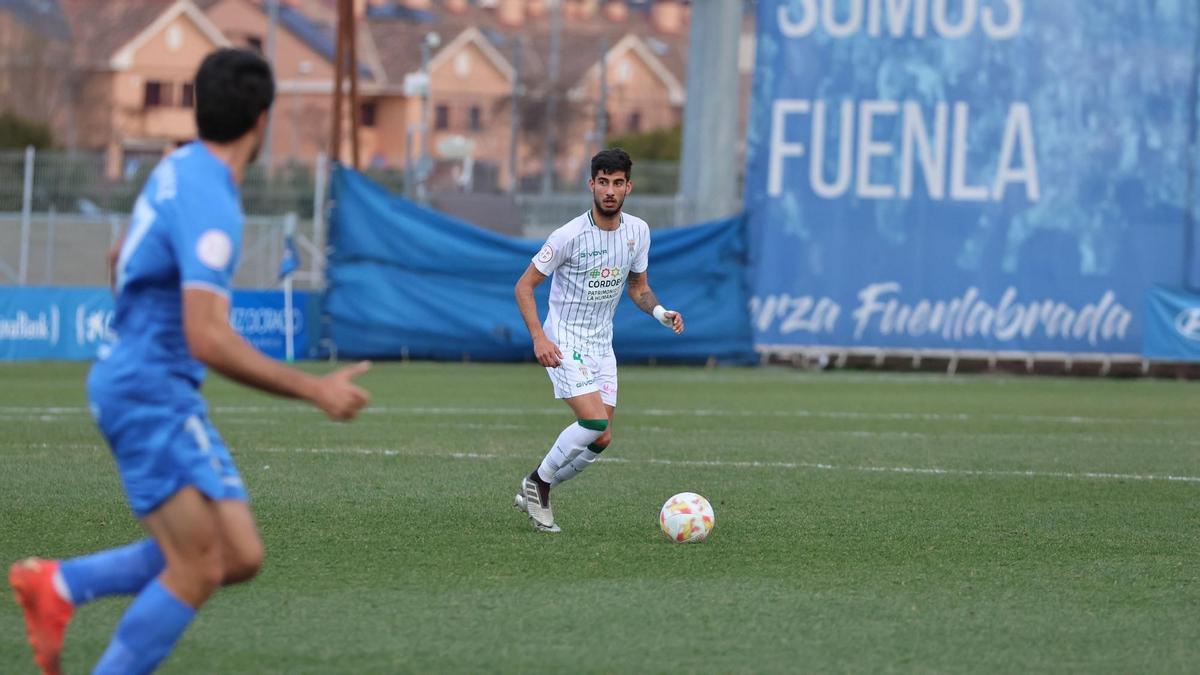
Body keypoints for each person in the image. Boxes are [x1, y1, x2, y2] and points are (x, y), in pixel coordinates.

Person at [8, 48, 371, 675]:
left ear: (200, 108)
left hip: (151, 383)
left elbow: (117, 259)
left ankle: (61, 585)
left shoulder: (177, 166)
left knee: (239, 553)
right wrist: (313, 390)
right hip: (148, 391)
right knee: (199, 566)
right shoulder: (213, 201)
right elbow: (207, 336)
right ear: (262, 118)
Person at [512, 148, 684, 532]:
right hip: (564, 339)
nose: (610, 190)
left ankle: (537, 486)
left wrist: (660, 312)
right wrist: (539, 338)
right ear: (591, 184)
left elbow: (638, 287)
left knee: (602, 438)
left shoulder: (638, 232)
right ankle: (538, 484)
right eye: (603, 181)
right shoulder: (568, 236)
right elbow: (524, 287)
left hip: (601, 345)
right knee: (590, 421)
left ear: (628, 187)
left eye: (617, 183)